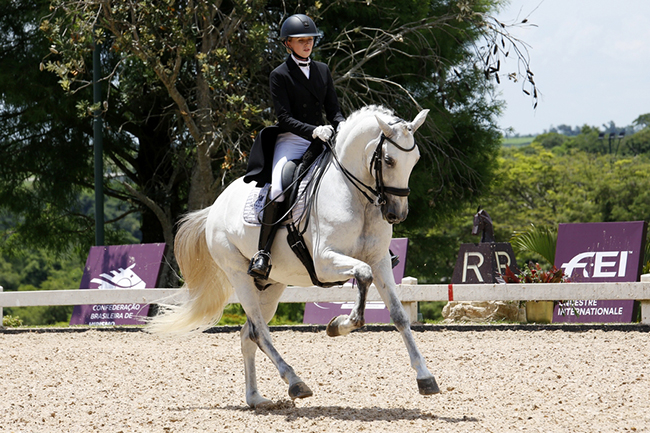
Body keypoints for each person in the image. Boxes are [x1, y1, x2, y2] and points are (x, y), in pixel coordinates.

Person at [244, 14, 345, 281]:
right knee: (278, 189)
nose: (307, 44)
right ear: (288, 43)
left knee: (350, 177)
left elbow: (333, 109)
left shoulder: (323, 70)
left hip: (322, 138)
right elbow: (284, 117)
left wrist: (341, 125)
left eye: (310, 39)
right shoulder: (280, 75)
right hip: (292, 139)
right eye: (301, 40)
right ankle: (262, 253)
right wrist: (312, 130)